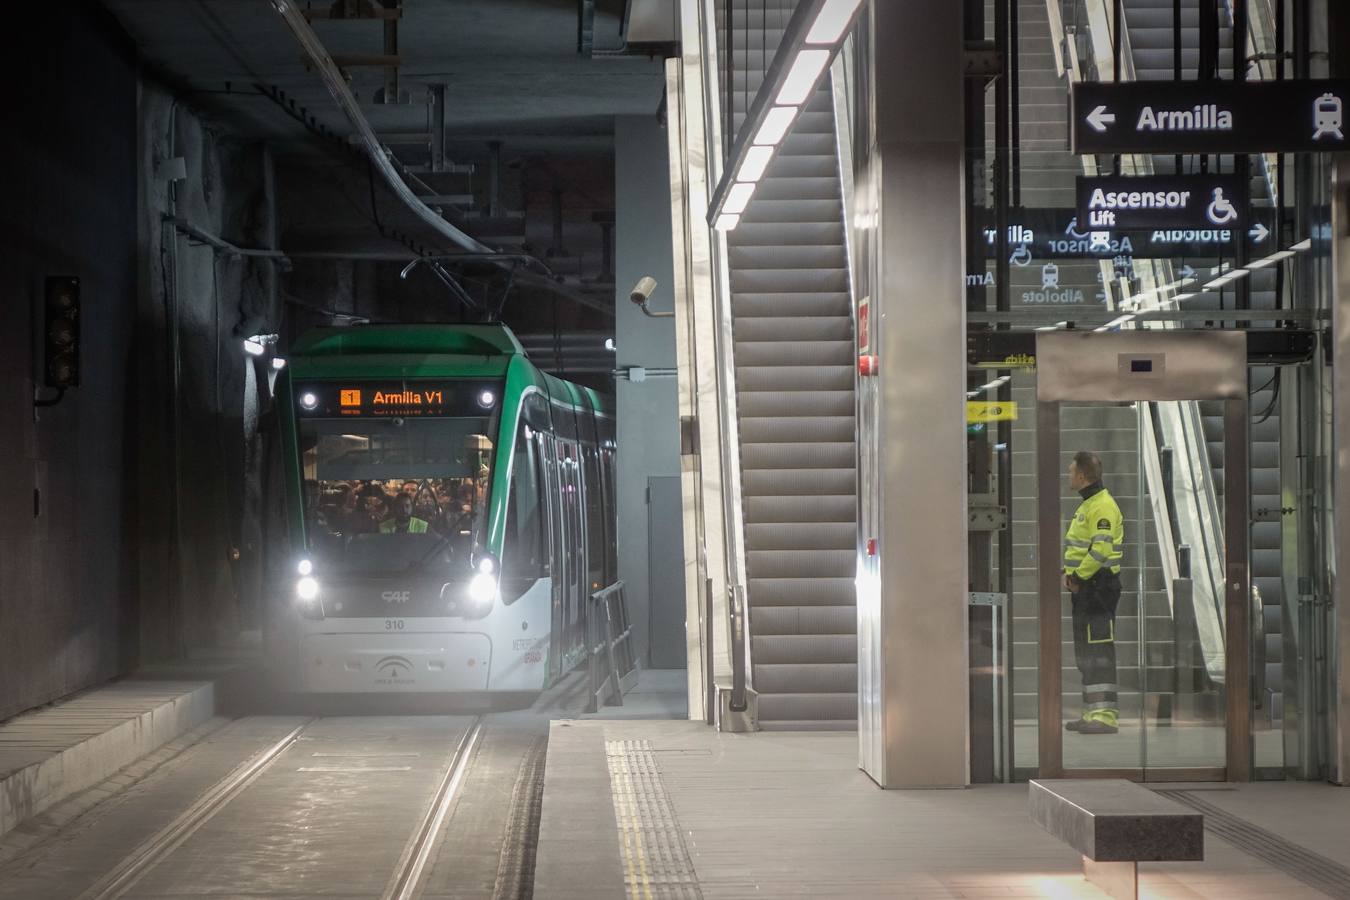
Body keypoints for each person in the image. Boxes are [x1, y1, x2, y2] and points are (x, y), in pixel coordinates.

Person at [1063, 450, 1124, 735]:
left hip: (1098, 588)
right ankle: (1092, 712)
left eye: (1071, 471)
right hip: (1088, 588)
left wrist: (1077, 576)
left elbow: (1100, 550)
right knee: (1087, 652)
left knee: (1099, 650)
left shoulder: (1102, 507)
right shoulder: (1090, 504)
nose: (1068, 475)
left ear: (1082, 476)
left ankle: (1106, 716)